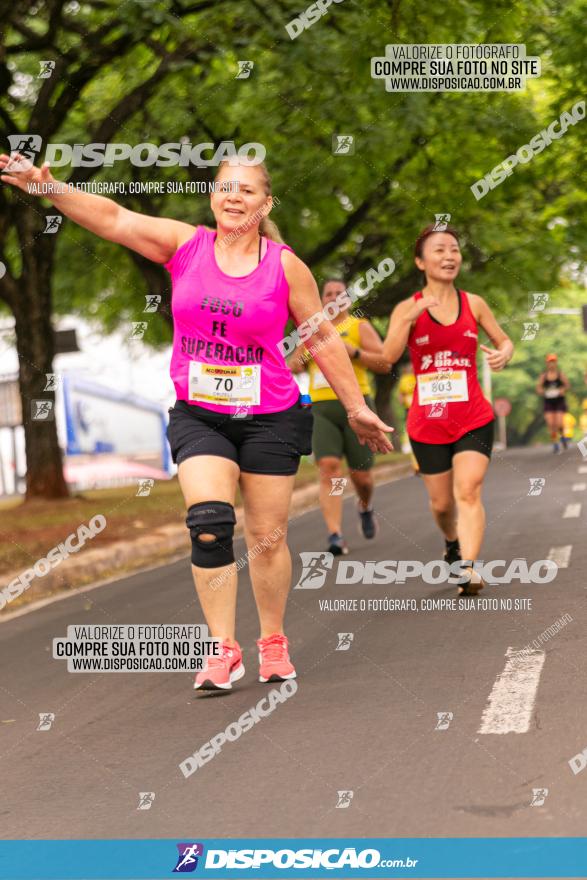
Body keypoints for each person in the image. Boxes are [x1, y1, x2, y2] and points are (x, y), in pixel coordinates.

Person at [0, 151, 393, 690]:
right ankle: (223, 649)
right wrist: (49, 190)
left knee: (267, 535)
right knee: (209, 524)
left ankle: (272, 640)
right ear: (213, 196)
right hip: (200, 414)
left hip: (269, 415)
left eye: (247, 190)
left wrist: (356, 406)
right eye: (225, 187)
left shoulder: (284, 265)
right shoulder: (186, 247)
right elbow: (116, 219)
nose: (234, 196)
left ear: (266, 202)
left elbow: (321, 335)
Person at [382, 224, 514, 595]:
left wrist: (504, 351)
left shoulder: (475, 304)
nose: (449, 256)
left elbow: (503, 341)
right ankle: (452, 543)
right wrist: (408, 319)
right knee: (442, 505)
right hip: (427, 423)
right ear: (420, 261)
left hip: (473, 415)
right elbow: (387, 358)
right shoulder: (405, 308)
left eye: (454, 249)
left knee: (469, 489)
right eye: (439, 250)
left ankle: (469, 569)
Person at [287, 280, 391, 555]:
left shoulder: (359, 327)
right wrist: (303, 355)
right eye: (328, 294)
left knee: (362, 478)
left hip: (356, 406)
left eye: (339, 294)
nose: (334, 297)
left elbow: (384, 363)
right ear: (321, 300)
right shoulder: (310, 330)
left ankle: (365, 506)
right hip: (322, 407)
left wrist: (354, 352)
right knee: (330, 468)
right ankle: (335, 533)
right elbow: (293, 366)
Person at [536, 354, 570, 453]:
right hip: (549, 401)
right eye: (550, 362)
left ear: (556, 363)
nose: (552, 364)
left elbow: (567, 385)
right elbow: (538, 388)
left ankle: (562, 436)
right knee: (551, 424)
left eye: (553, 362)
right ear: (547, 363)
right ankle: (555, 443)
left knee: (559, 423)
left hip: (559, 401)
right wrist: (541, 391)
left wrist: (562, 389)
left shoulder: (560, 375)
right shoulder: (544, 376)